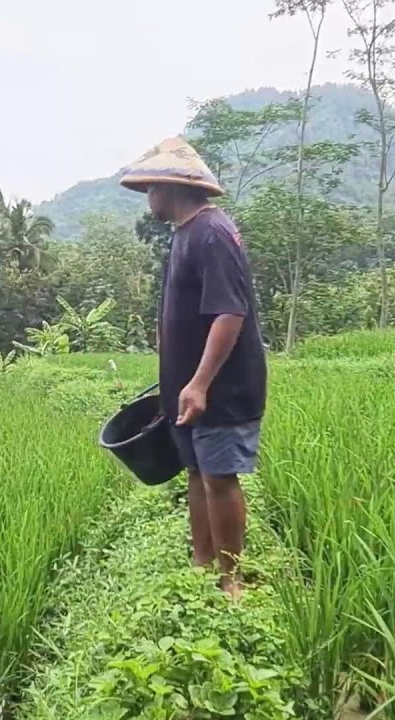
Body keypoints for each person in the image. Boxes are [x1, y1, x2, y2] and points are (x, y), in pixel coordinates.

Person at [119, 137, 268, 599]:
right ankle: (203, 564)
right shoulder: (186, 234)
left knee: (220, 478)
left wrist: (200, 383)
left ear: (170, 186)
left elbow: (229, 313)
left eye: (151, 188)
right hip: (187, 389)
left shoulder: (211, 234)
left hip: (222, 388)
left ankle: (232, 580)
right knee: (199, 474)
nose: (148, 198)